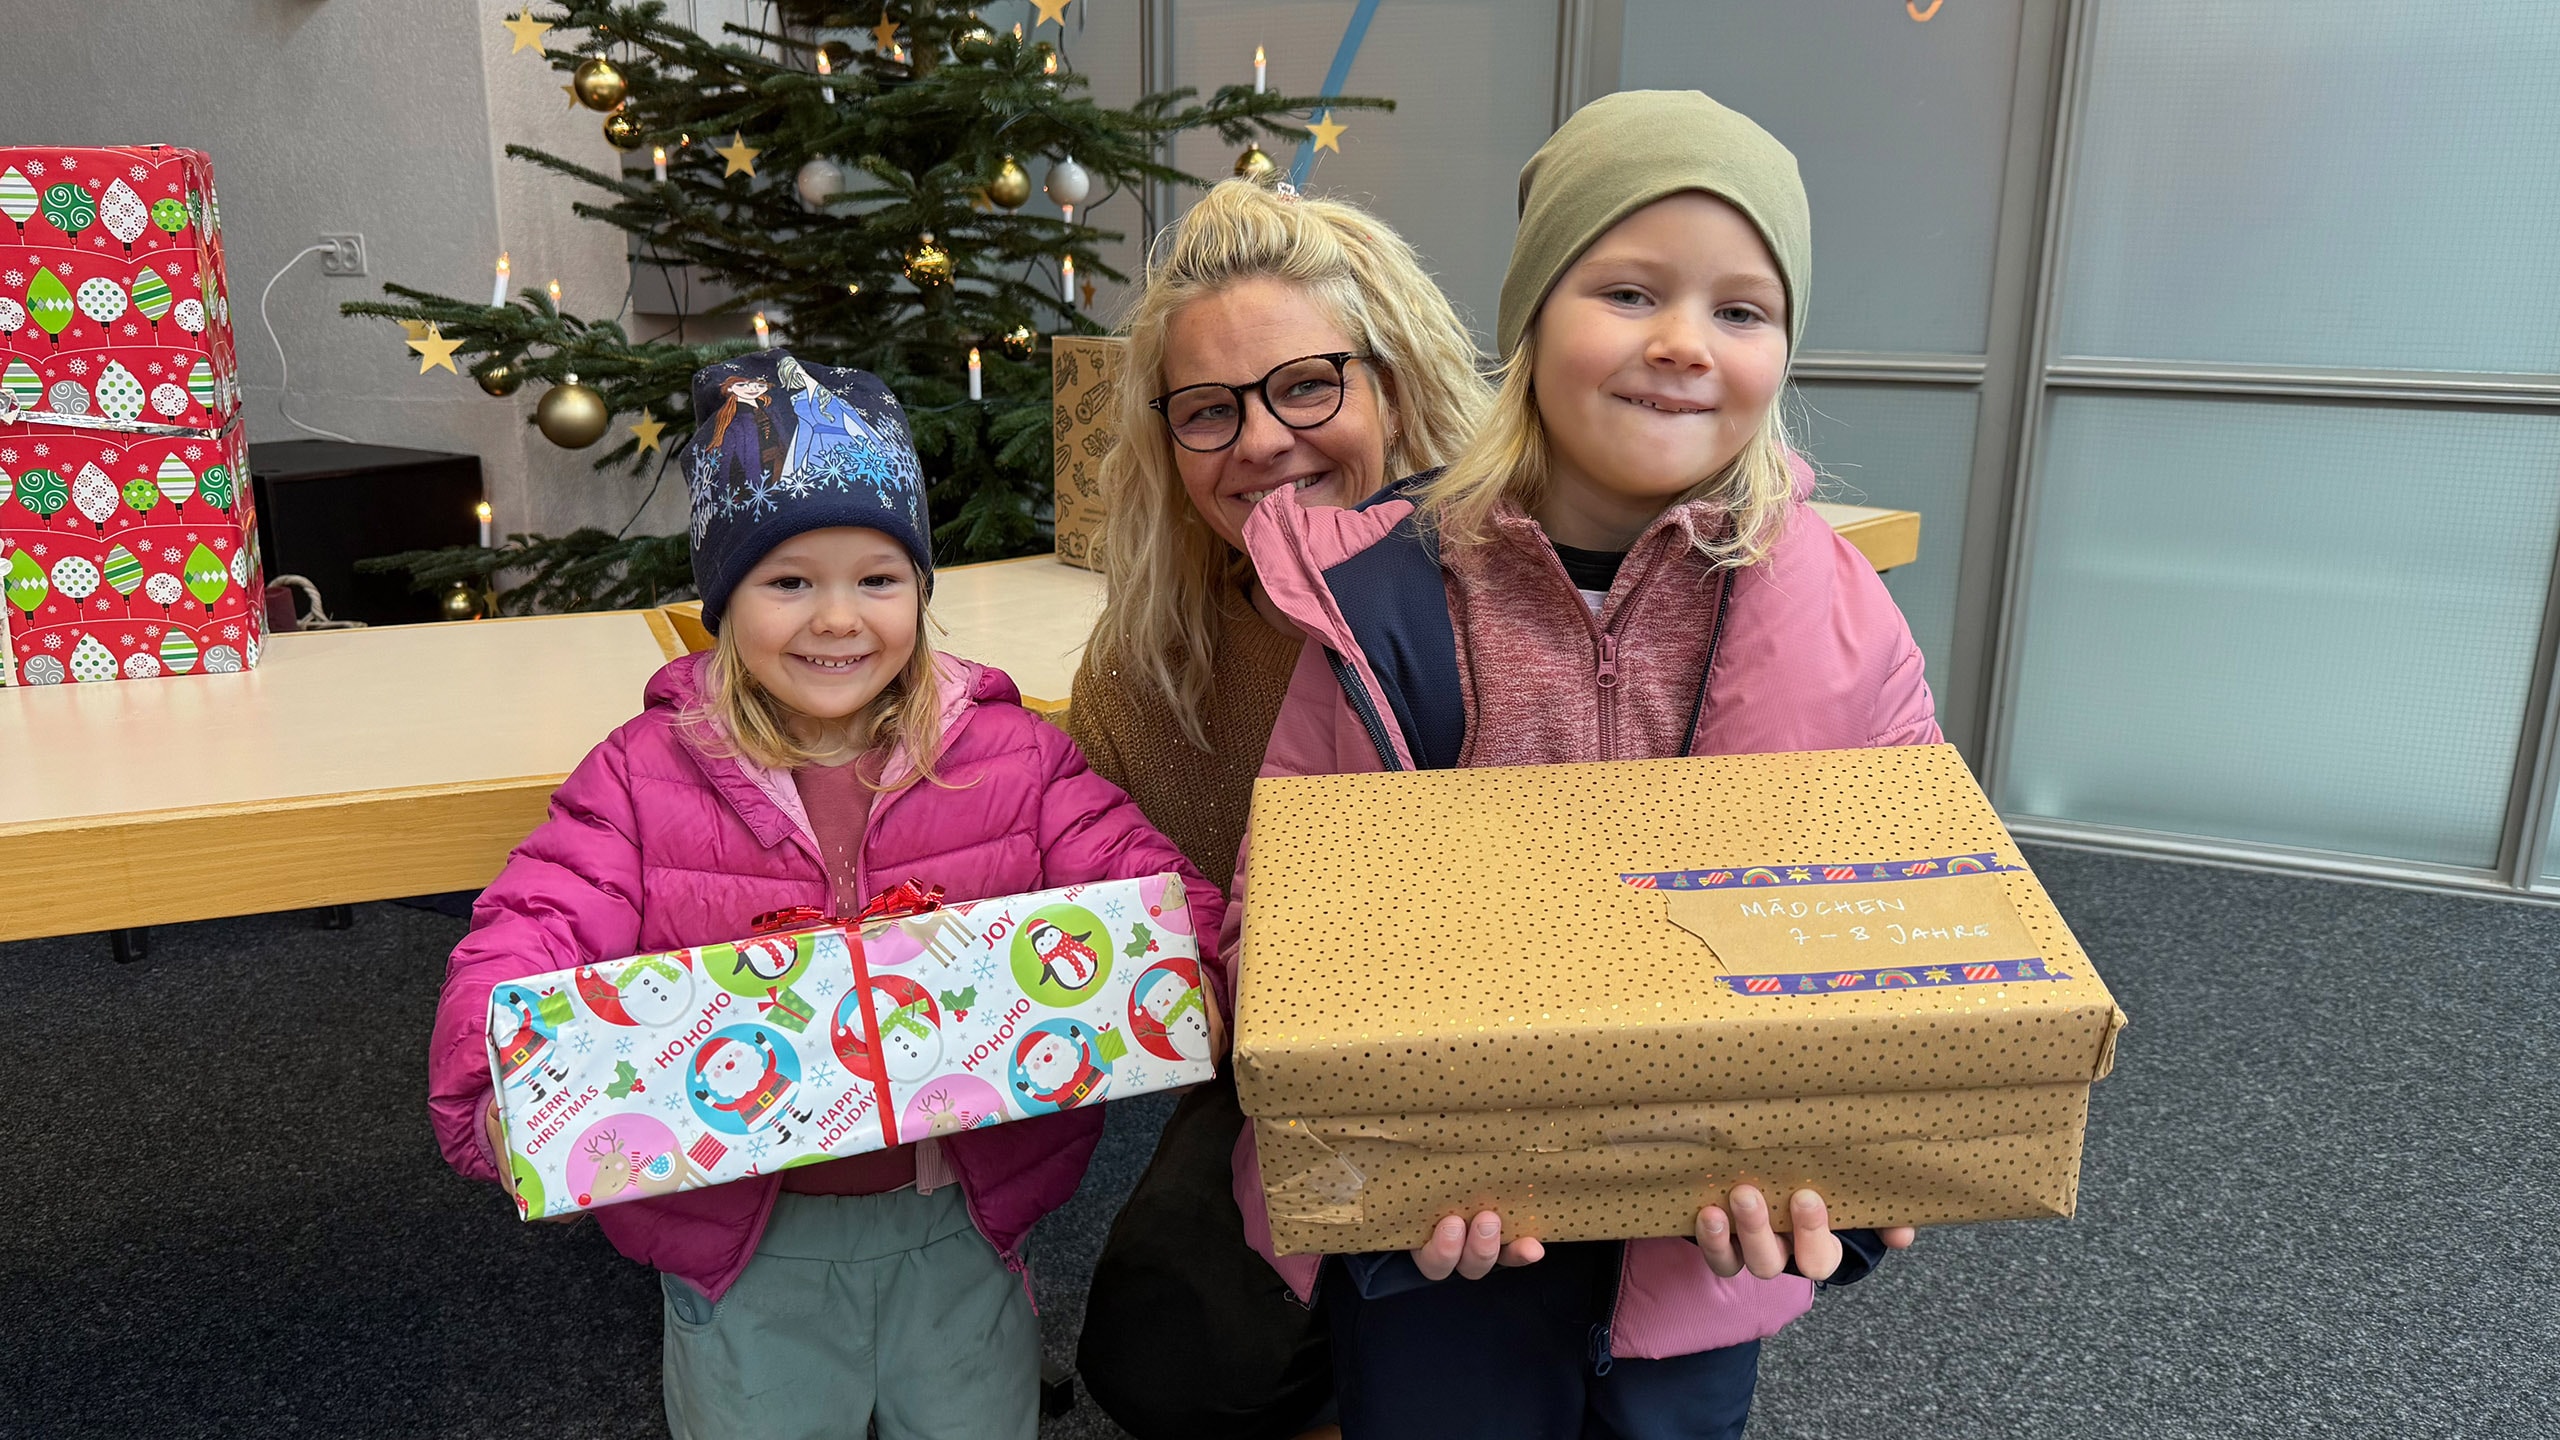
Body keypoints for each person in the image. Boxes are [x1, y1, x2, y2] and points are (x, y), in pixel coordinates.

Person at [1219, 91, 1933, 1439]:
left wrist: (1866, 1147)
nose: (1682, 344)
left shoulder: (1835, 611)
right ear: (1532, 319)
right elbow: (1290, 926)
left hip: (1708, 1241)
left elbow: (1915, 898)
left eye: (1742, 310)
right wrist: (1384, 1151)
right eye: (1627, 289)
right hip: (1446, 1242)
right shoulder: (1388, 604)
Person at [424, 351, 1221, 1440]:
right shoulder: (643, 774)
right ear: (723, 599)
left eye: (877, 580)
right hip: (744, 1238)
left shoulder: (1013, 757)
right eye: (789, 581)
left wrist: (1201, 973)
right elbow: (535, 921)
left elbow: (1144, 881)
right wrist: (495, 1077)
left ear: (919, 593)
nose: (837, 620)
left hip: (961, 1215)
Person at [1066, 178, 1490, 1440]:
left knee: (1489, 1354)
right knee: (1166, 1355)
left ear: (1396, 383)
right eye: (1208, 411)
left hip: (1521, 1058)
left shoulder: (1506, 592)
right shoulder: (1155, 660)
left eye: (1307, 386)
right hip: (1286, 1065)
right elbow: (1091, 897)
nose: (1259, 442)